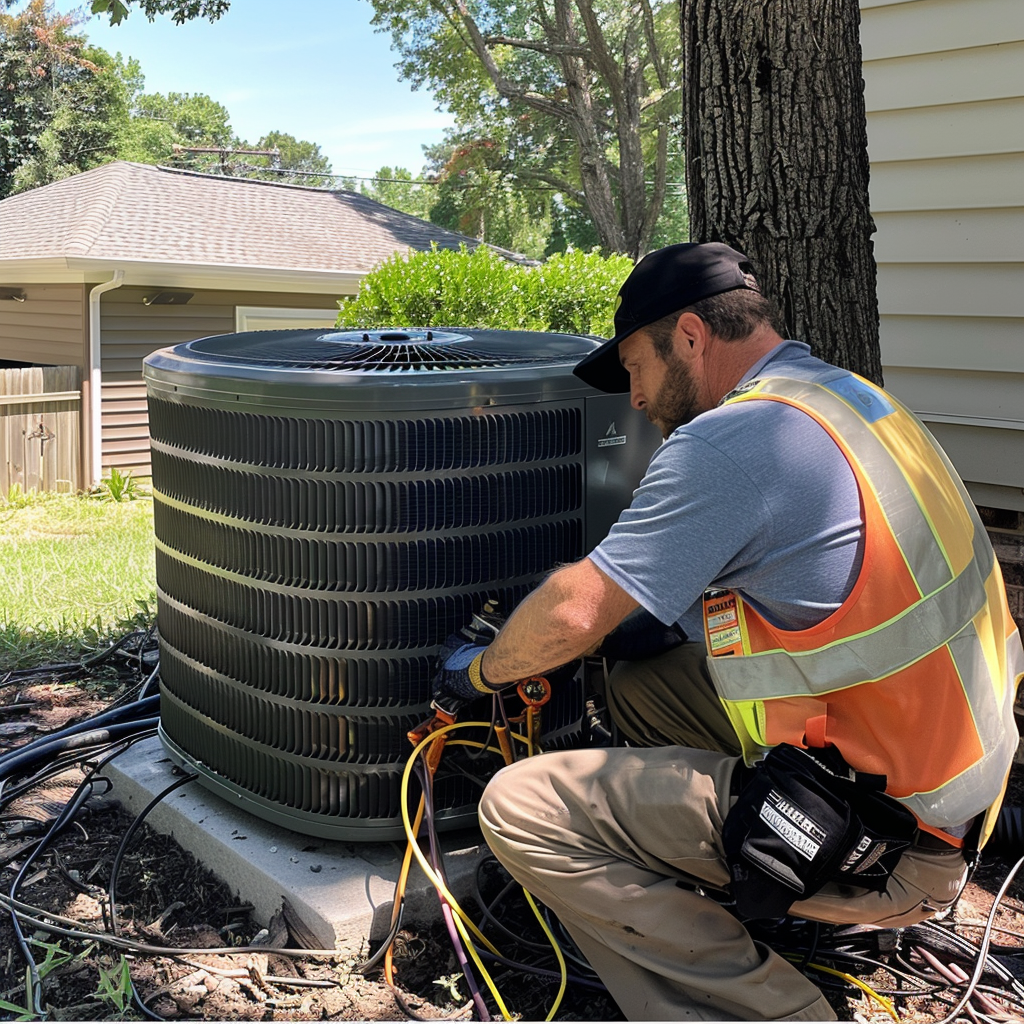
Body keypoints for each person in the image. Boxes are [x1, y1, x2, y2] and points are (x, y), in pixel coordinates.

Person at [432, 242, 1024, 1021]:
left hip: (880, 846)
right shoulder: (849, 402)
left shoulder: (730, 442)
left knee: (519, 808)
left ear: (688, 336)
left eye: (635, 368)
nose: (635, 399)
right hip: (945, 787)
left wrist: (479, 673)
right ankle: (728, 889)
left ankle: (773, 1009)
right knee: (639, 685)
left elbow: (576, 609)